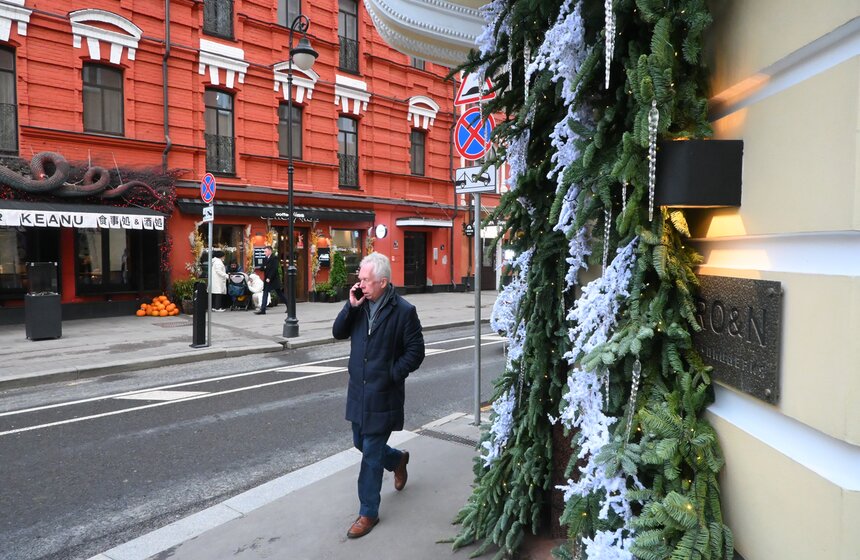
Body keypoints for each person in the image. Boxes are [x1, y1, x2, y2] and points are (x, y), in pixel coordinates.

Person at [332, 252, 425, 539]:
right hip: (359, 392)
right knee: (360, 442)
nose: (359, 284)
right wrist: (350, 307)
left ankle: (368, 512)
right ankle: (397, 460)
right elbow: (338, 333)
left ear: (382, 282)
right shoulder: (358, 304)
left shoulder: (404, 311)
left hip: (384, 394)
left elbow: (416, 352)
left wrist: (391, 374)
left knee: (370, 455)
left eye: (365, 280)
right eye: (359, 278)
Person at [255, 245, 287, 315]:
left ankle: (289, 306)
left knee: (280, 294)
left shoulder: (274, 258)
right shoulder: (265, 258)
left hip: (273, 279)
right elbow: (262, 268)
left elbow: (274, 269)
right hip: (267, 280)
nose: (264, 253)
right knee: (265, 293)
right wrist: (264, 268)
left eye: (265, 251)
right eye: (264, 251)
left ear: (270, 251)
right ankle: (263, 310)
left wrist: (269, 277)